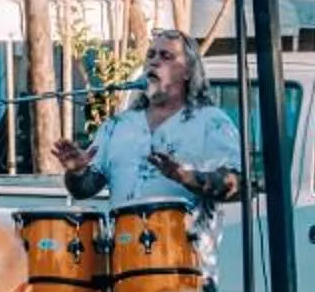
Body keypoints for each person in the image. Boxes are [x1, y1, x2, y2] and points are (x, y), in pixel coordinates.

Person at [50, 30, 243, 277]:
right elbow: (85, 188)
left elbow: (239, 184)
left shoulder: (211, 122)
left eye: (166, 56)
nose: (154, 61)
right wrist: (76, 171)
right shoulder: (117, 126)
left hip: (187, 270)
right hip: (123, 272)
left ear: (188, 72)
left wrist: (187, 178)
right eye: (151, 55)